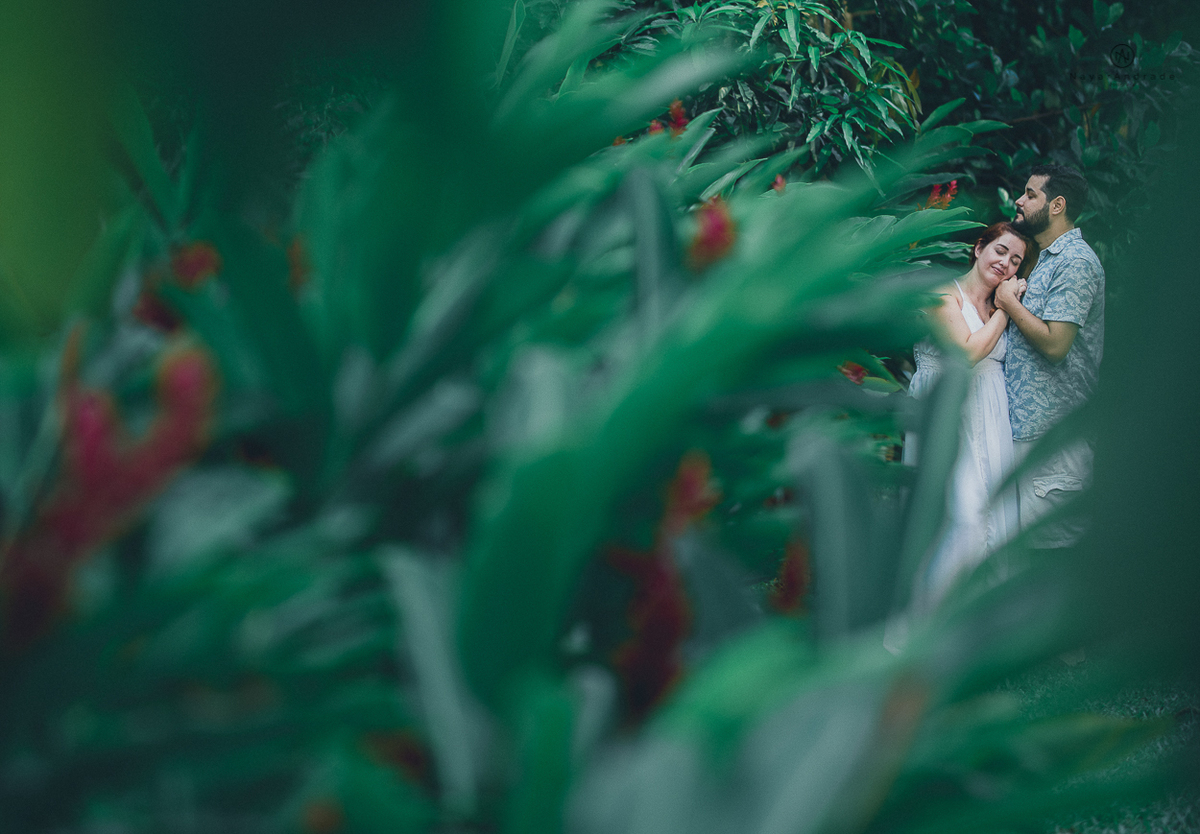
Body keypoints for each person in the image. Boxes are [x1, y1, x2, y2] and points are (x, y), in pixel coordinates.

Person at [905, 222, 1032, 606]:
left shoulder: (995, 306)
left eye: (1015, 261)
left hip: (989, 418)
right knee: (959, 518)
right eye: (1000, 251)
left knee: (995, 519)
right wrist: (1007, 309)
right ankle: (929, 619)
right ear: (979, 248)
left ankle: (976, 626)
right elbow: (966, 352)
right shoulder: (942, 294)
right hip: (947, 414)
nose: (1005, 264)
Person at [997, 164, 1104, 548]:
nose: (1020, 201)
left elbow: (1056, 346)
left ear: (1057, 205)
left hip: (1056, 441)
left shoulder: (1075, 262)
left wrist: (1009, 303)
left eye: (1030, 194)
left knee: (1053, 559)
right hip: (1030, 437)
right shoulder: (1044, 258)